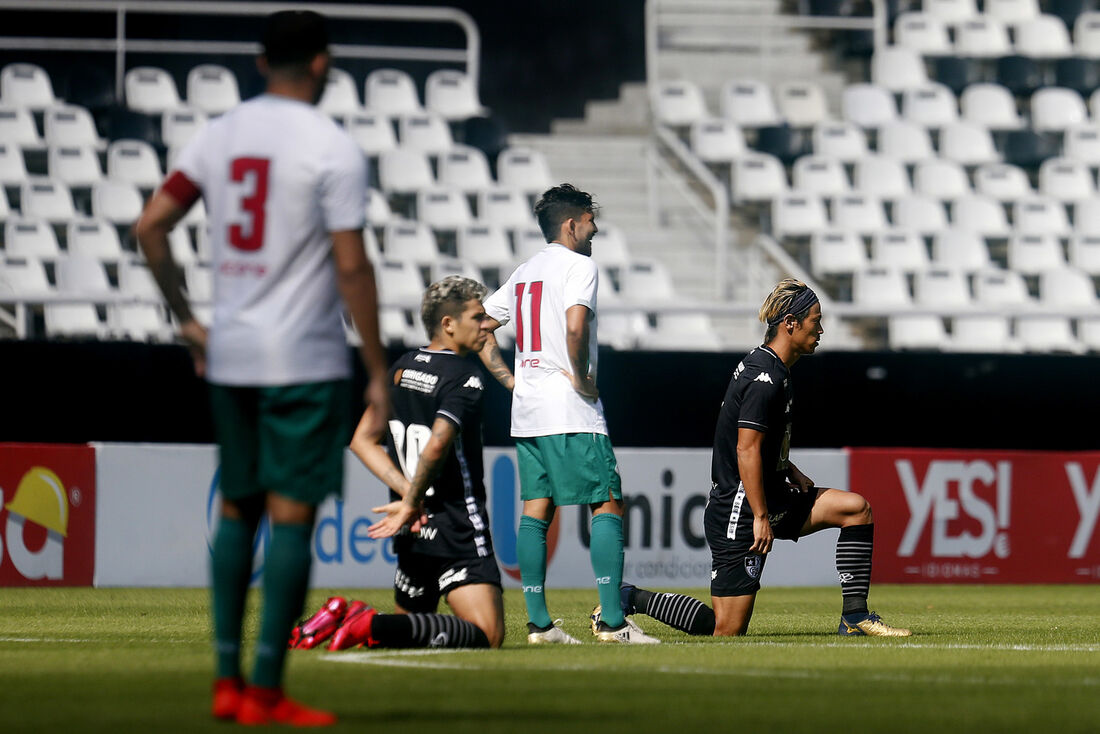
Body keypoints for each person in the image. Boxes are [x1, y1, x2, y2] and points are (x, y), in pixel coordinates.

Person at [134, 10, 389, 726]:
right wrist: (376, 367)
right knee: (291, 520)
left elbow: (150, 226)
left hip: (232, 354)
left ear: (260, 62)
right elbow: (351, 266)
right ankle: (267, 691)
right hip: (303, 358)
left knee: (236, 509)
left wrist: (187, 320)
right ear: (322, 64)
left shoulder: (218, 135)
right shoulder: (331, 145)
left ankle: (226, 680)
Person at [598, 279, 909, 639]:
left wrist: (788, 468)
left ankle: (854, 617)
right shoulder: (765, 378)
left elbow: (756, 442)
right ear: (790, 323)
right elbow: (745, 449)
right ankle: (627, 596)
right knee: (725, 628)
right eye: (816, 320)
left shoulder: (775, 369)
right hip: (742, 510)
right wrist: (760, 517)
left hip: (771, 498)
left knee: (856, 509)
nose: (821, 330)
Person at [477, 184, 658, 644]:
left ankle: (539, 625)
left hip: (528, 412)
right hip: (570, 409)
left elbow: (479, 326)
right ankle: (613, 622)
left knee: (536, 508)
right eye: (590, 221)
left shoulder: (525, 272)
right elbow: (576, 327)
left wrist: (510, 381)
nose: (595, 229)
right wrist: (581, 378)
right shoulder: (580, 266)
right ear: (572, 224)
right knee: (608, 502)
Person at [293, 276, 504, 651]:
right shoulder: (465, 377)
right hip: (454, 523)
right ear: (448, 324)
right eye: (478, 317)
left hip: (412, 526)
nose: (488, 324)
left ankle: (346, 617)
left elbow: (362, 440)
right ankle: (365, 620)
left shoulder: (402, 368)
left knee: (406, 635)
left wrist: (408, 497)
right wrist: (412, 500)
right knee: (487, 633)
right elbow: (437, 445)